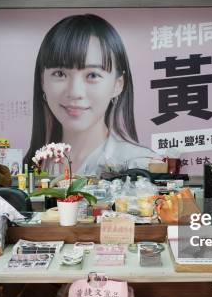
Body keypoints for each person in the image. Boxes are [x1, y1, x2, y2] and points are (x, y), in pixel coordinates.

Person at [23, 14, 155, 176]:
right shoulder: (37, 164)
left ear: (117, 85)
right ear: (43, 81)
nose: (75, 92)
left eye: (92, 75)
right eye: (60, 73)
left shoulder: (140, 163)